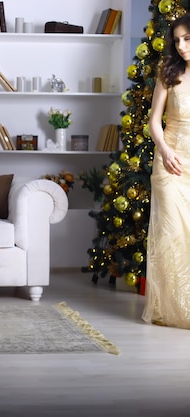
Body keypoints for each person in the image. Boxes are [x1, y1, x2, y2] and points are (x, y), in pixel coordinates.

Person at [142, 13, 190, 329]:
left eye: (187, 39)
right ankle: (177, 310)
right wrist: (165, 149)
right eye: (177, 40)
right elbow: (153, 120)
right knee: (172, 234)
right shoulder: (169, 73)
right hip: (170, 161)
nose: (181, 46)